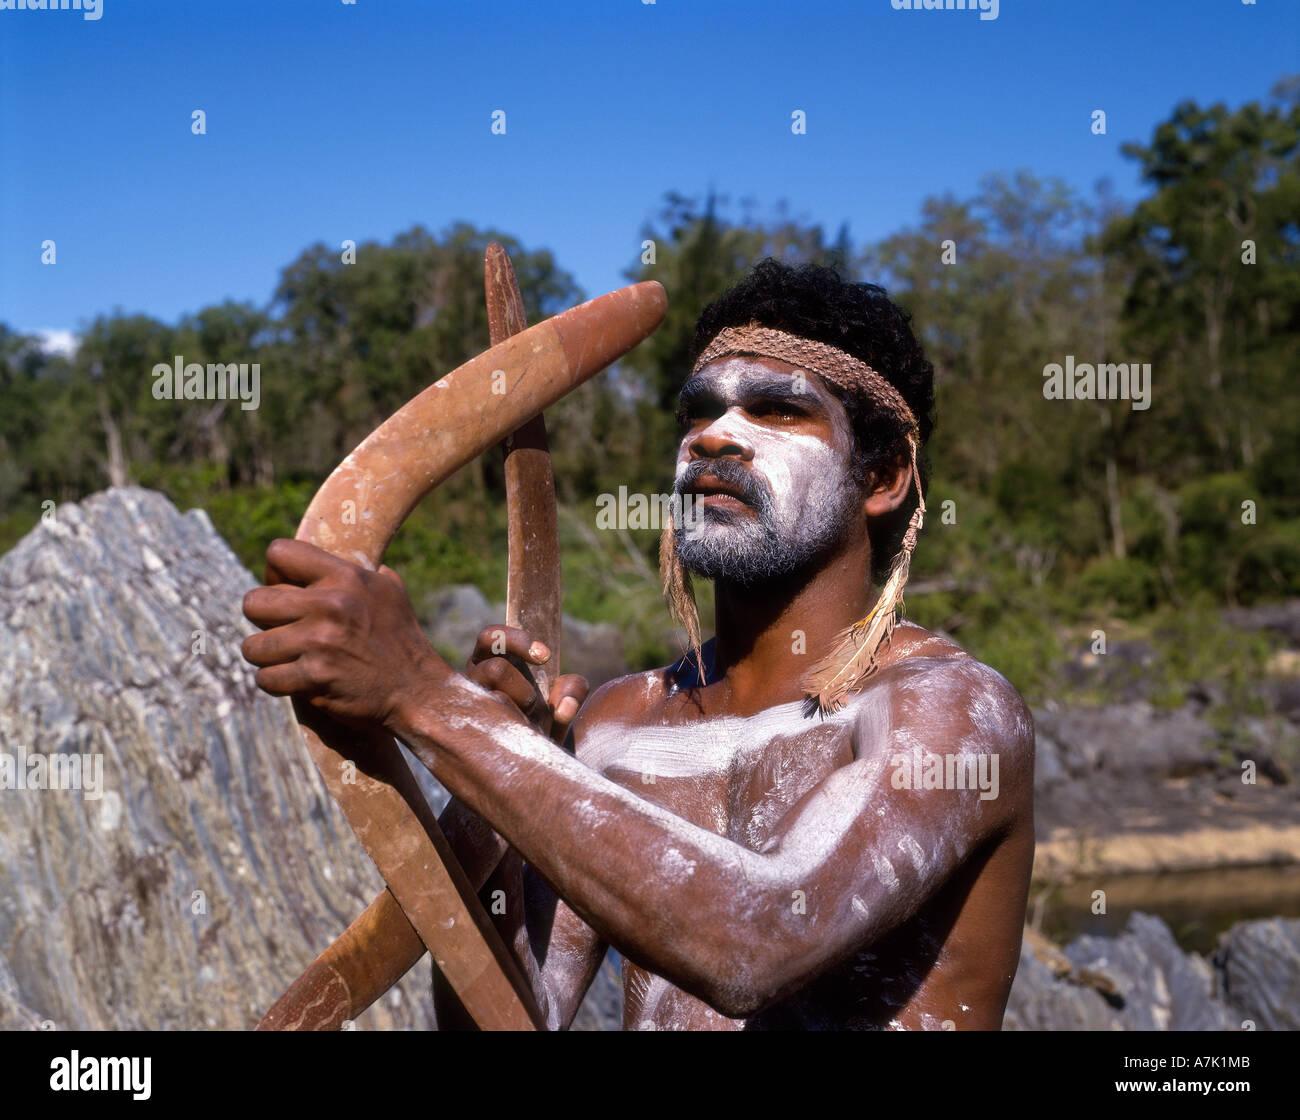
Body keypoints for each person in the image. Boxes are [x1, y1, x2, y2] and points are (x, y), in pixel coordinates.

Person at [241, 258, 1035, 1030]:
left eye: (778, 409)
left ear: (884, 477)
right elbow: (511, 1014)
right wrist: (497, 779)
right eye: (698, 410)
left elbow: (757, 946)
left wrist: (429, 701)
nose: (715, 436)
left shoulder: (950, 711)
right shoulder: (621, 722)